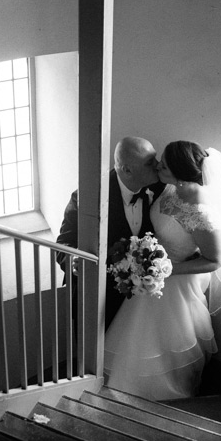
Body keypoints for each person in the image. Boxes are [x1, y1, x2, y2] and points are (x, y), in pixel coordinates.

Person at [103, 141, 221, 400]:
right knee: (134, 339)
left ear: (178, 172)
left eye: (163, 164)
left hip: (174, 281)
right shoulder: (167, 187)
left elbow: (215, 260)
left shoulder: (200, 212)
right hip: (151, 275)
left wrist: (167, 270)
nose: (157, 166)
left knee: (162, 345)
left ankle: (163, 393)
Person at [56, 136, 164, 330]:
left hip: (141, 298)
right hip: (97, 296)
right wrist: (73, 259)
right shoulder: (86, 198)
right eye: (150, 163)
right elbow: (64, 243)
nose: (157, 165)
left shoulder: (159, 186)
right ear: (127, 170)